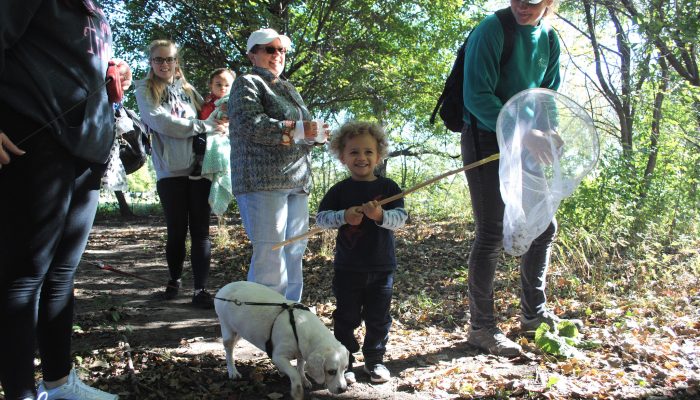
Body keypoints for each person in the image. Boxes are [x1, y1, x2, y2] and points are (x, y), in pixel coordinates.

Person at [0, 1, 131, 399]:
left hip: (88, 151)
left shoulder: (94, 7)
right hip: (33, 139)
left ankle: (59, 385)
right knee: (24, 277)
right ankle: (21, 392)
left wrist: (112, 67)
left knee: (62, 275)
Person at [461, 0, 581, 357]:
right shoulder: (491, 30)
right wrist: (519, 133)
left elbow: (547, 97)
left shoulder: (549, 38)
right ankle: (481, 328)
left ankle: (534, 316)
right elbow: (476, 96)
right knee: (492, 232)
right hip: (485, 138)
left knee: (544, 228)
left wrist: (551, 131)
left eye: (532, 1)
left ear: (548, 2)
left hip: (528, 141)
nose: (522, 6)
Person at [229, 28, 328, 302]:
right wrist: (299, 129)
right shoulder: (246, 83)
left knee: (295, 251)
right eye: (269, 49)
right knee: (270, 253)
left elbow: (300, 133)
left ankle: (291, 313)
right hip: (262, 181)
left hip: (297, 181)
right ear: (252, 54)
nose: (277, 55)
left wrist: (315, 135)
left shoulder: (288, 87)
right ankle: (263, 318)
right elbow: (252, 125)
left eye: (282, 50)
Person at [134, 39, 227, 309]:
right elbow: (159, 121)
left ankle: (200, 290)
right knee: (176, 230)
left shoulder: (189, 89)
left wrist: (220, 123)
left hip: (200, 170)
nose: (165, 64)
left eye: (170, 59)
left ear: (177, 62)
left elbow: (210, 114)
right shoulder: (145, 88)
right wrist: (202, 126)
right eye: (159, 60)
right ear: (151, 62)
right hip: (170, 171)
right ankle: (174, 280)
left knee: (201, 231)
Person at [316, 121, 408, 385]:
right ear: (343, 157)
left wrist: (380, 215)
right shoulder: (340, 190)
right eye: (354, 152)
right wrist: (344, 216)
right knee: (346, 316)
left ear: (378, 156)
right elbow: (321, 219)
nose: (362, 157)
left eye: (368, 152)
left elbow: (400, 218)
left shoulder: (389, 188)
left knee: (379, 317)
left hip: (381, 268)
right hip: (348, 268)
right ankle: (345, 361)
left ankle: (375, 360)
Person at [192, 68, 236, 177]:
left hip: (225, 137)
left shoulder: (235, 102)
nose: (223, 88)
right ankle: (200, 164)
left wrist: (228, 126)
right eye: (218, 84)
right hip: (207, 133)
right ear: (211, 85)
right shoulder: (206, 103)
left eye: (227, 85)